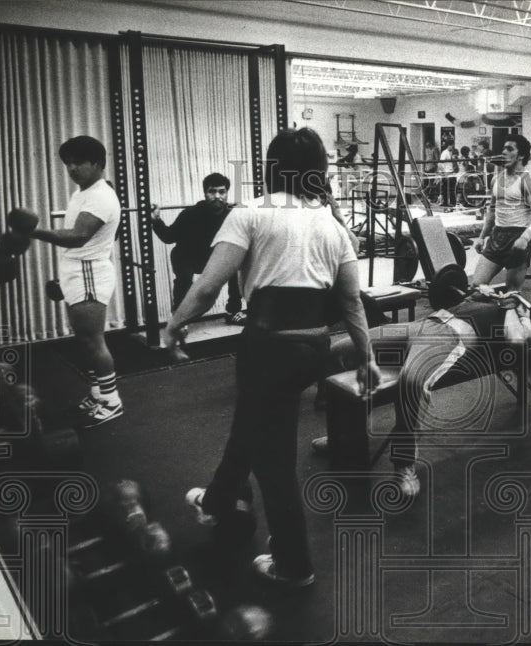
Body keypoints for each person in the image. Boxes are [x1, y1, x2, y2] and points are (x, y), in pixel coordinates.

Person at [165, 128, 380, 587]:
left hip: (267, 348)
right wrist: (368, 357)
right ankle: (218, 500)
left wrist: (174, 323)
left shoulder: (250, 214)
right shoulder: (332, 226)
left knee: (274, 461)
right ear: (319, 170)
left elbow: (206, 287)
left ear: (271, 167)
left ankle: (294, 564)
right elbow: (351, 303)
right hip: (313, 350)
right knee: (252, 422)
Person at [311, 286, 531, 497]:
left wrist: (514, 307)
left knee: (411, 381)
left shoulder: (520, 318)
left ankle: (404, 463)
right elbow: (455, 298)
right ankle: (340, 436)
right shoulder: (489, 301)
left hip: (448, 336)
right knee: (338, 350)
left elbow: (519, 341)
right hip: (421, 324)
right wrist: (479, 293)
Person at [25, 136, 124, 427]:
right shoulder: (82, 192)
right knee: (83, 340)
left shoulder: (101, 196)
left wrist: (32, 232)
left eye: (78, 161)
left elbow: (79, 236)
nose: (71, 167)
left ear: (97, 163)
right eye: (68, 162)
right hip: (77, 271)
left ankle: (112, 400)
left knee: (93, 341)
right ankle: (98, 393)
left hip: (90, 273)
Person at [152, 173, 245, 325]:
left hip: (211, 258)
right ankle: (179, 317)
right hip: (186, 256)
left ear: (227, 193)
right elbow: (168, 237)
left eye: (222, 192)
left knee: (234, 262)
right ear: (204, 194)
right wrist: (156, 221)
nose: (217, 196)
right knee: (185, 279)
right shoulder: (190, 214)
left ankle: (233, 311)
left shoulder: (232, 215)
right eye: (212, 192)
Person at [471, 134, 531, 292]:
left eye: (509, 149)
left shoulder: (527, 180)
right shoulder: (496, 179)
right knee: (477, 287)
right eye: (503, 148)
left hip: (518, 237)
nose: (504, 152)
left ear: (521, 155)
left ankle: (522, 316)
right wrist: (482, 236)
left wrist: (526, 236)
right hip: (497, 236)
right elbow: (491, 210)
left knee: (512, 293)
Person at [439, 144, 458, 209]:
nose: (452, 147)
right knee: (445, 188)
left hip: (452, 172)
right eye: (451, 145)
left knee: (452, 188)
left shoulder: (453, 152)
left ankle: (453, 202)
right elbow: (441, 163)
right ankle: (445, 202)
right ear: (448, 146)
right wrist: (443, 172)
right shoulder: (445, 153)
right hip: (446, 172)